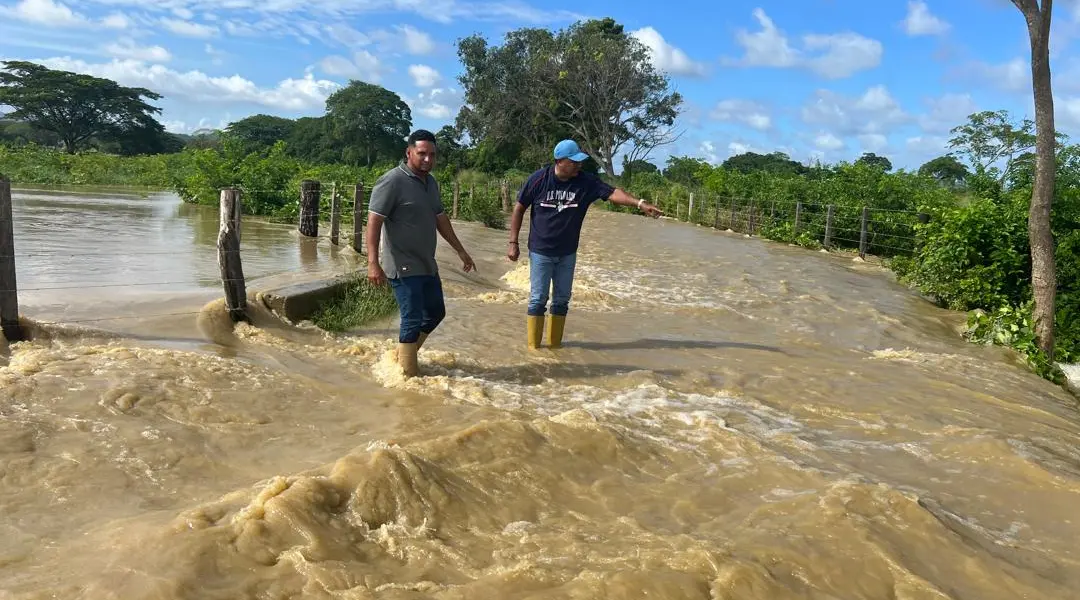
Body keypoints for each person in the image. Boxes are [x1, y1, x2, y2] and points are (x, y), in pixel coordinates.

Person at [507, 139, 663, 349]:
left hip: (568, 252)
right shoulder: (538, 180)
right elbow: (519, 208)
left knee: (562, 300)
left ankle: (554, 349)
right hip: (541, 251)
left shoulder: (585, 182)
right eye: (574, 162)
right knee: (538, 299)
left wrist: (640, 204)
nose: (578, 166)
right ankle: (534, 350)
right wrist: (513, 242)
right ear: (559, 161)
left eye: (579, 162)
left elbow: (613, 193)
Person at [367, 129, 476, 377]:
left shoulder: (431, 183)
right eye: (422, 154)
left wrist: (461, 251)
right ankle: (407, 377)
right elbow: (373, 222)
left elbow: (441, 219)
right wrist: (373, 263)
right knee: (412, 317)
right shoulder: (392, 181)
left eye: (432, 155)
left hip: (426, 262)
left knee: (437, 312)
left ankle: (401, 359)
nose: (428, 159)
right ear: (409, 152)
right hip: (402, 264)